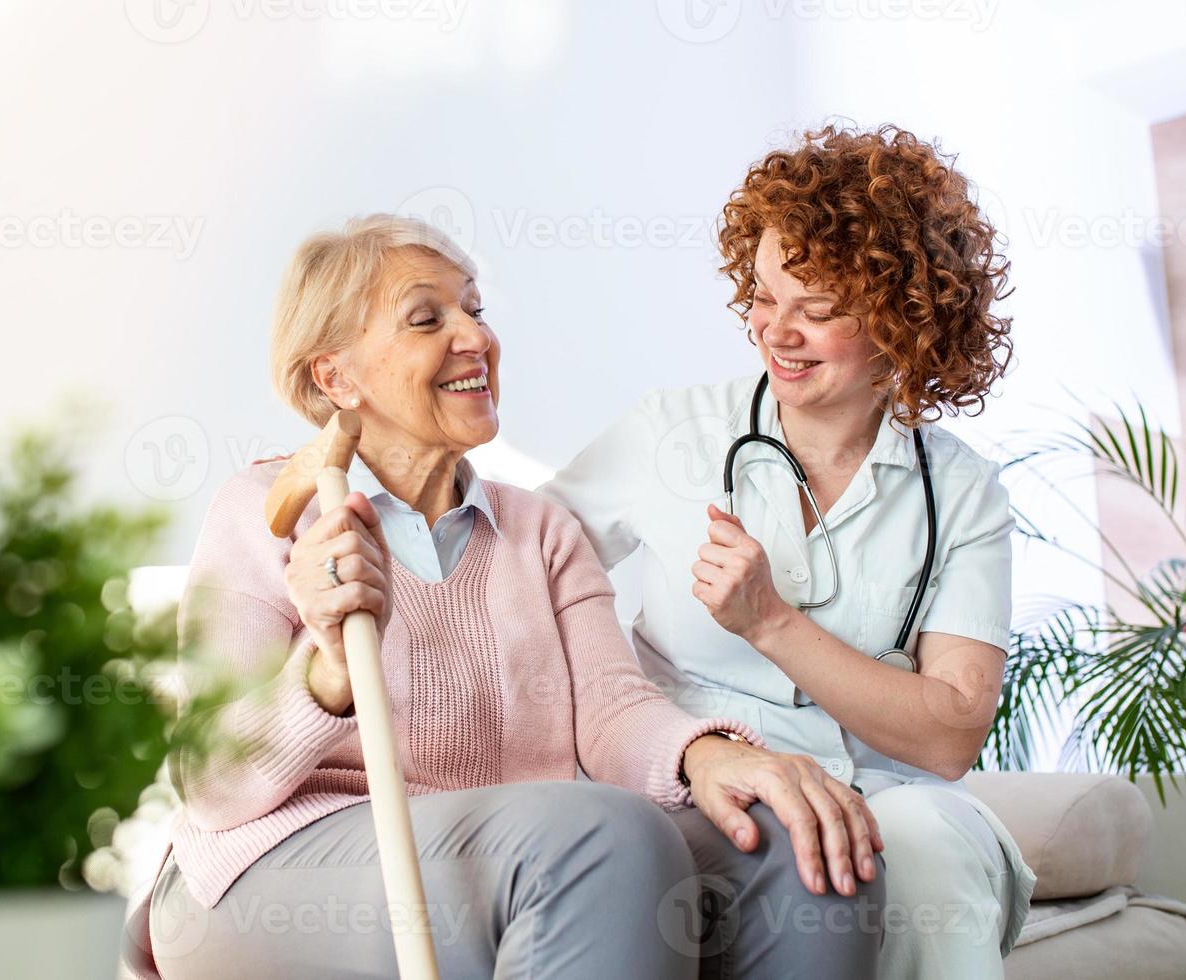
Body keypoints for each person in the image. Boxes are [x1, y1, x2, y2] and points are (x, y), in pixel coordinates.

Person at [124, 214, 885, 979]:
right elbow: (214, 785)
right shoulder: (266, 513)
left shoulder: (539, 531)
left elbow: (615, 711)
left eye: (475, 311)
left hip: (513, 848)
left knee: (803, 841)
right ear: (335, 378)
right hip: (275, 866)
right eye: (428, 319)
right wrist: (326, 672)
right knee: (602, 838)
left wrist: (707, 756)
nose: (475, 338)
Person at [540, 124, 1038, 979]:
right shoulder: (672, 434)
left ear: (903, 317)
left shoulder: (960, 492)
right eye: (765, 297)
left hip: (888, 796)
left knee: (924, 846)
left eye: (818, 311)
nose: (777, 332)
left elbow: (951, 735)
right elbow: (521, 562)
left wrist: (770, 623)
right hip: (701, 780)